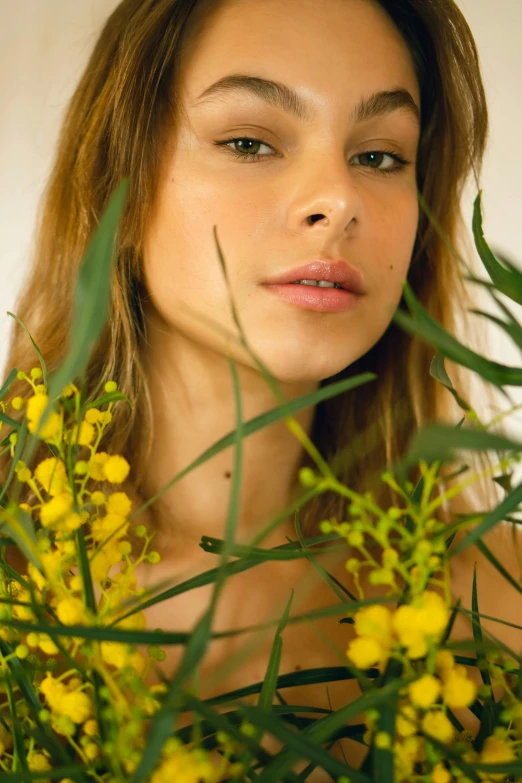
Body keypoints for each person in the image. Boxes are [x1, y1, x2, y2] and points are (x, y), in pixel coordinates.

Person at [2, 0, 521, 777]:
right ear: (123, 181)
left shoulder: (495, 608)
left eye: (379, 156)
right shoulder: (23, 581)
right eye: (249, 142)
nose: (338, 199)